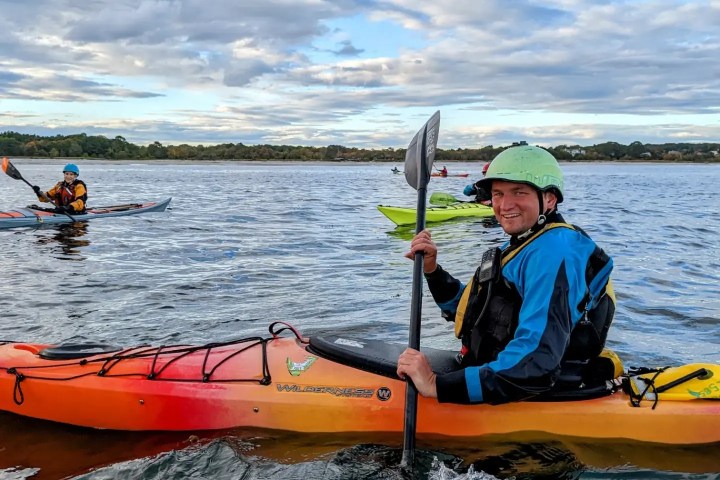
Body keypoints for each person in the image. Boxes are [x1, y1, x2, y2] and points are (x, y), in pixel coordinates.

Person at [397, 145, 615, 404]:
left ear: (549, 199)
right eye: (498, 193)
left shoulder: (555, 251)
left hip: (538, 391)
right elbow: (470, 312)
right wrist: (432, 270)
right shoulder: (520, 246)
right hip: (501, 376)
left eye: (519, 192)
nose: (504, 205)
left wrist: (437, 386)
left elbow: (538, 363)